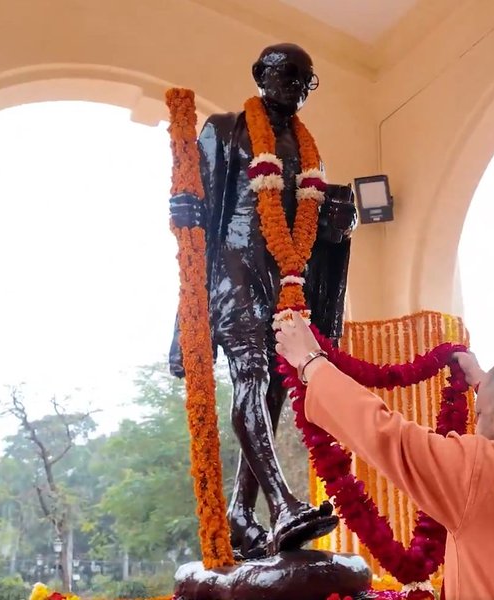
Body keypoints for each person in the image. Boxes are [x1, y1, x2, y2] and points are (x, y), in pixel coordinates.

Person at [275, 312, 494, 599]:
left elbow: (384, 434)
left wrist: (309, 361)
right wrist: (485, 383)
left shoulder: (485, 471)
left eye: (481, 414)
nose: (477, 424)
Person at [168, 43, 357, 559]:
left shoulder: (308, 148)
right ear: (260, 75)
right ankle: (283, 504)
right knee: (251, 375)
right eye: (288, 75)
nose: (296, 87)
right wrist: (183, 324)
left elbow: (313, 227)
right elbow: (198, 212)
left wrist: (341, 225)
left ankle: (239, 513)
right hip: (234, 265)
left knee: (273, 389)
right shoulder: (226, 128)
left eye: (306, 81)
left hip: (286, 275)